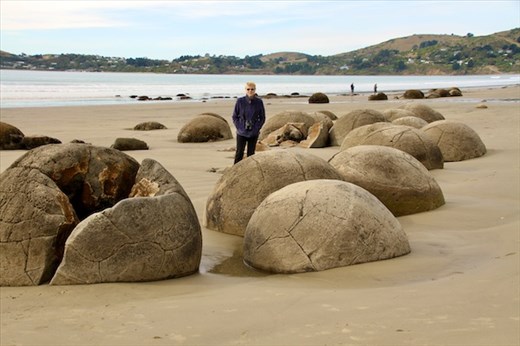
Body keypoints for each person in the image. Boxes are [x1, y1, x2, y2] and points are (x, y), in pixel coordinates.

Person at [232, 81, 266, 164]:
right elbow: (234, 116)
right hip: (241, 132)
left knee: (251, 154)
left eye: (252, 89)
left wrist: (257, 128)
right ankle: (235, 171)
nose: (250, 91)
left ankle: (250, 171)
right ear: (245, 90)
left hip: (253, 132)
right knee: (239, 153)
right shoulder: (240, 101)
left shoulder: (259, 102)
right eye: (248, 89)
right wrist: (239, 127)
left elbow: (262, 117)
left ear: (255, 90)